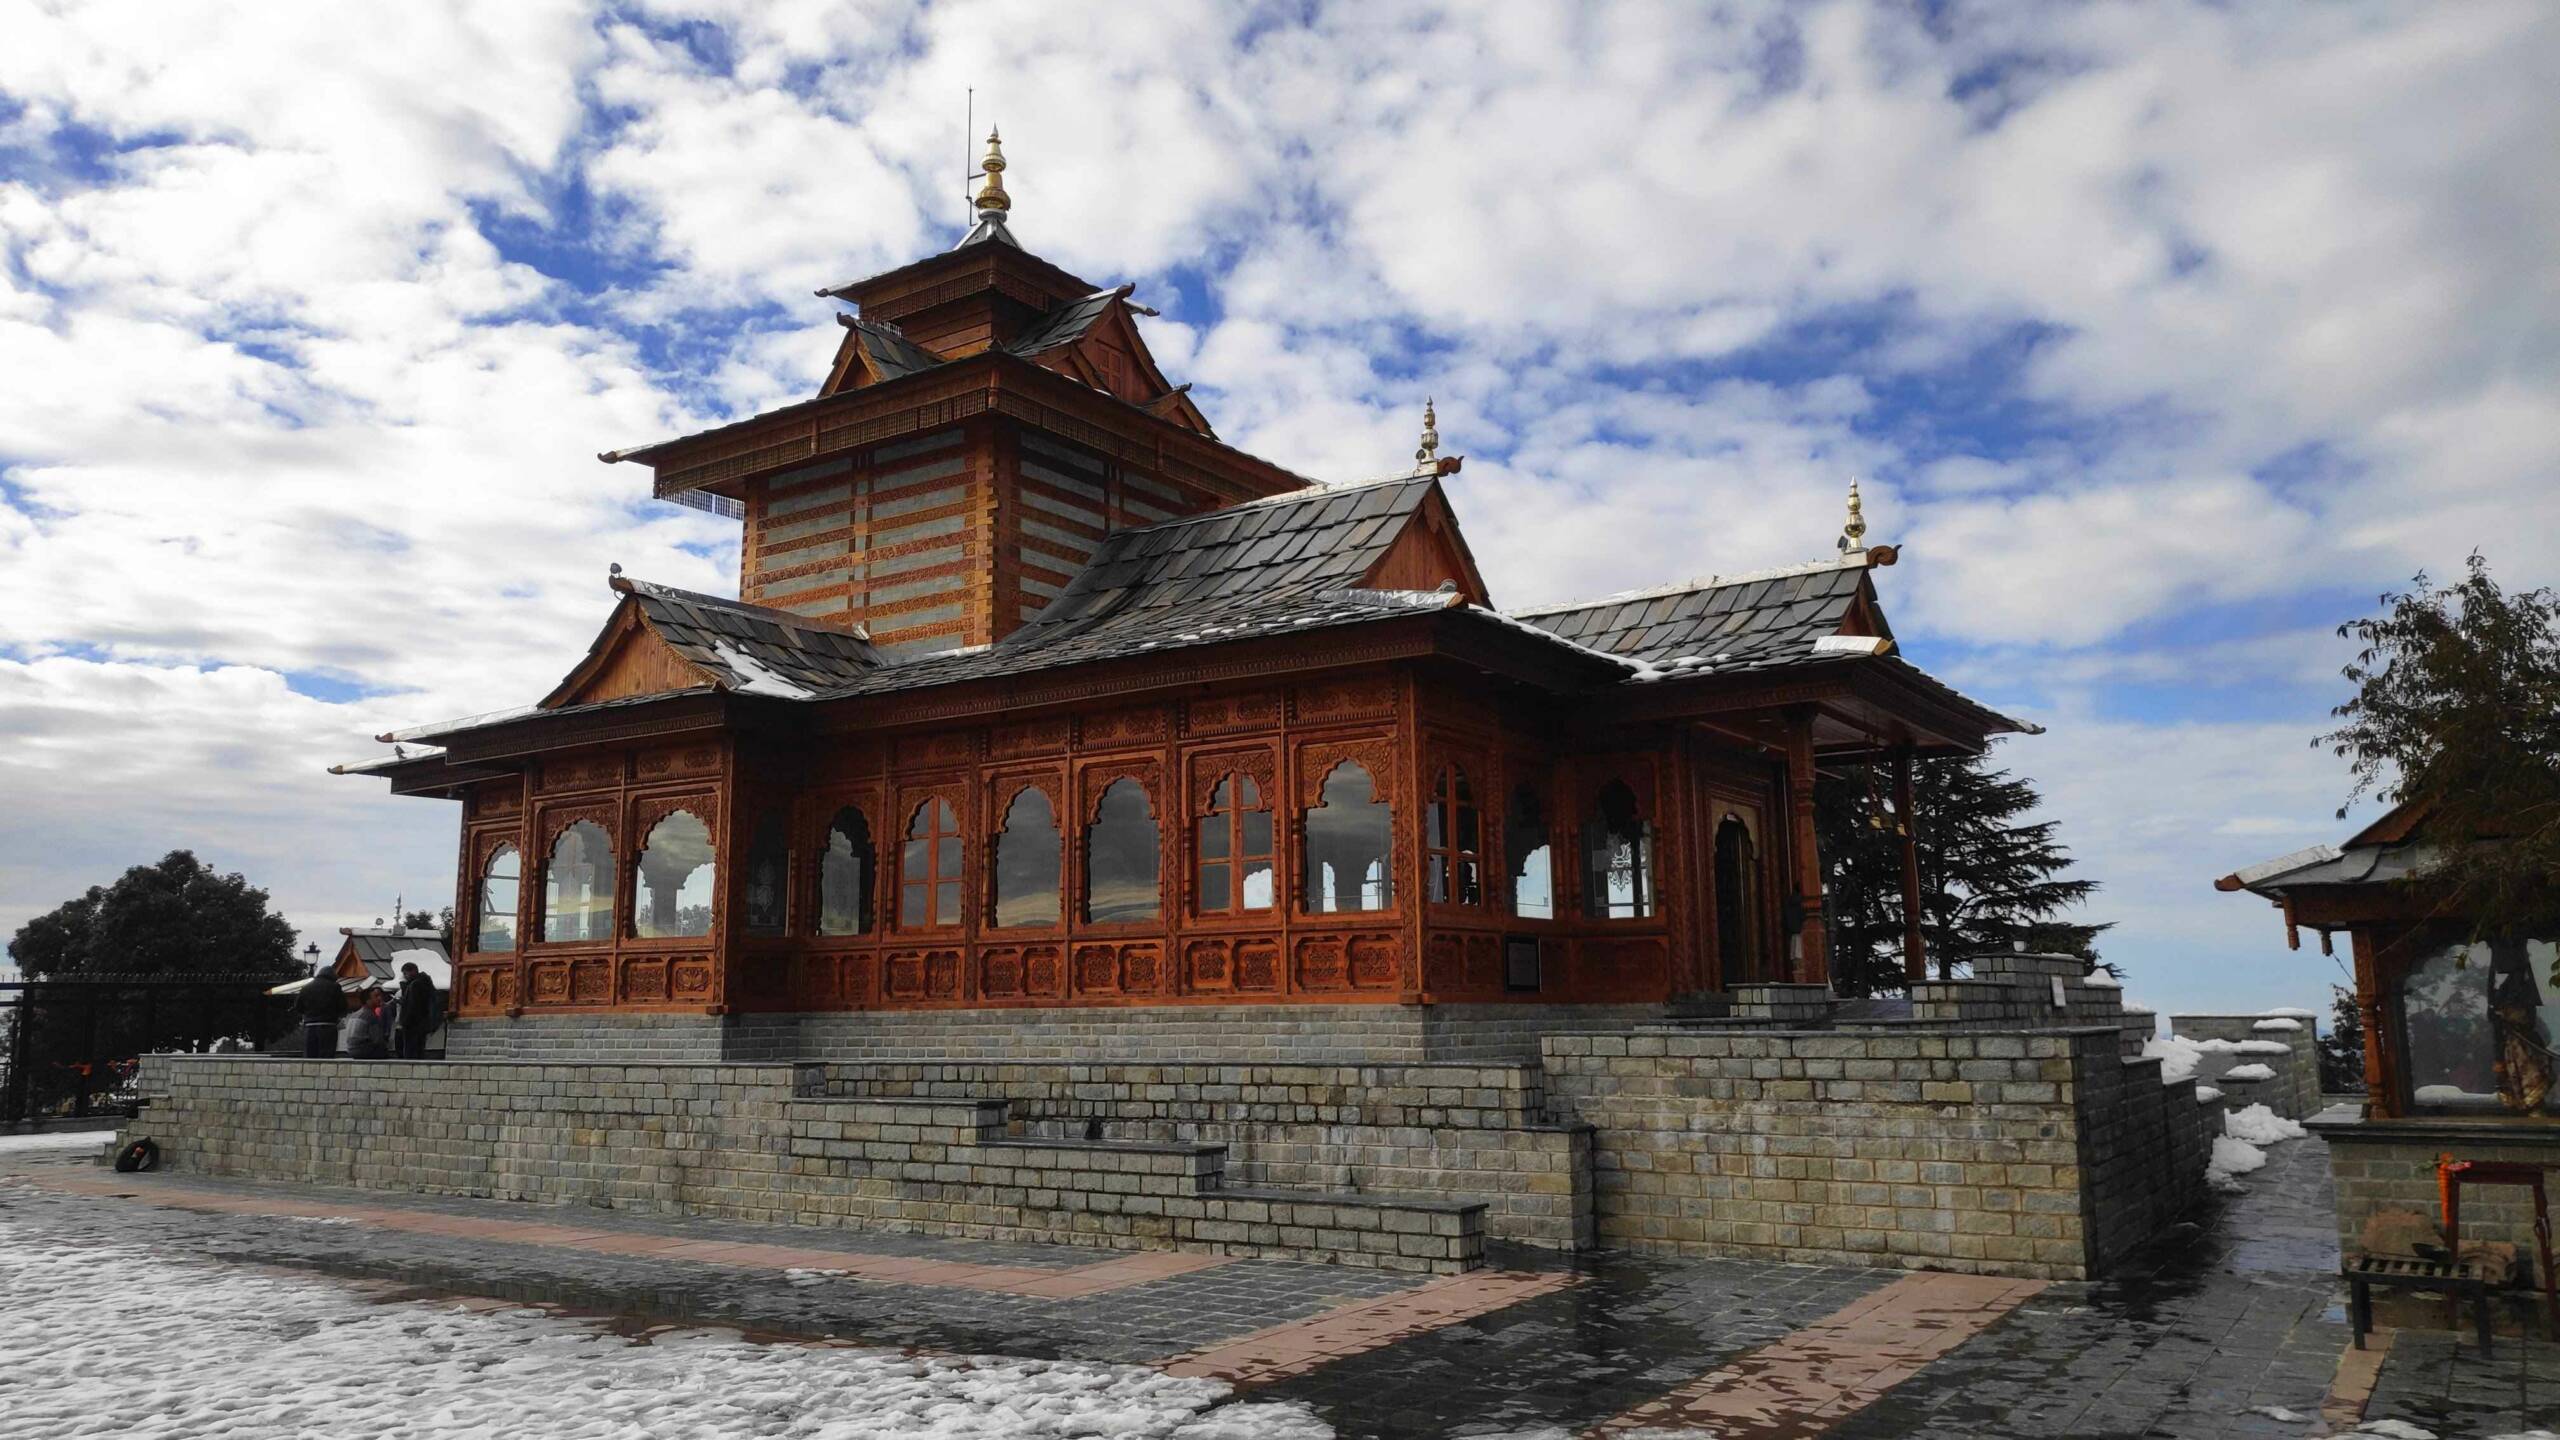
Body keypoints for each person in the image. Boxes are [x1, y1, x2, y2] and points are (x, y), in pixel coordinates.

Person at [295, 965, 348, 1058]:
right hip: (328, 1025)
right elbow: (343, 1006)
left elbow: (298, 1006)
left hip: (310, 1026)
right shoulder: (335, 987)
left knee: (310, 1057)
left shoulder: (306, 987)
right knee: (326, 1057)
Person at [393, 962, 438, 1060]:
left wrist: (405, 1020)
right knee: (419, 1049)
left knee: (411, 1051)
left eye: (405, 973)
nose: (405, 976)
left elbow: (413, 1005)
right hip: (422, 1023)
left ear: (412, 971)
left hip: (413, 1024)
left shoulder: (415, 985)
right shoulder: (425, 983)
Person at [343, 984, 391, 1060]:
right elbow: (377, 1040)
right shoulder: (370, 1016)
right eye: (376, 996)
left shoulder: (355, 1014)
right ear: (367, 1000)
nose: (380, 998)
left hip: (350, 1050)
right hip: (364, 1050)